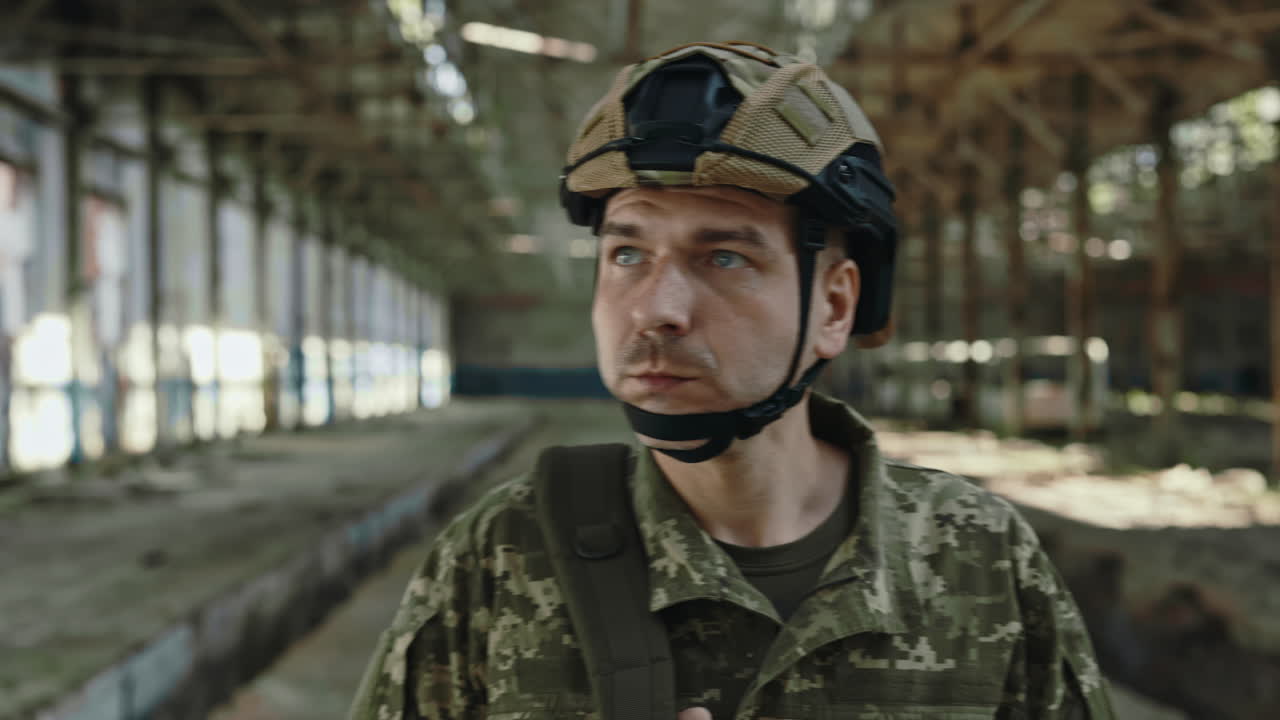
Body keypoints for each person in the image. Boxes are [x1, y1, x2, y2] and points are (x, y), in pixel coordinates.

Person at [349, 41, 1114, 719]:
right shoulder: (501, 555)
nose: (656, 309)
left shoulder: (977, 556)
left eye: (724, 258)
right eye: (627, 254)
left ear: (834, 305)